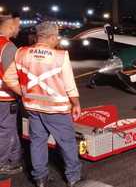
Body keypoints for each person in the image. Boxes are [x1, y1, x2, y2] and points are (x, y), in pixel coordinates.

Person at [3, 22, 82, 187]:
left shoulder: (21, 52)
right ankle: (73, 178)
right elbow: (70, 86)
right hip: (57, 109)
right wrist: (76, 104)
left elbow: (8, 79)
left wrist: (24, 93)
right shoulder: (60, 56)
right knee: (67, 143)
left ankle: (40, 179)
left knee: (37, 142)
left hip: (33, 108)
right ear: (52, 37)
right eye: (57, 37)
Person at [0, 14, 23, 175]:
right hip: (4, 97)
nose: (19, 29)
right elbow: (11, 77)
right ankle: (2, 164)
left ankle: (14, 160)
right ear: (9, 26)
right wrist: (23, 93)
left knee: (8, 130)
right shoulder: (8, 47)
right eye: (17, 25)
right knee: (6, 131)